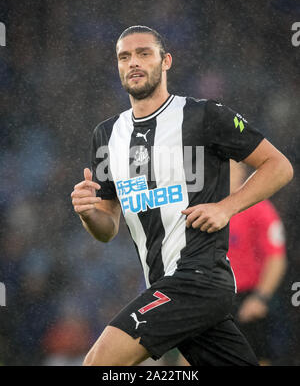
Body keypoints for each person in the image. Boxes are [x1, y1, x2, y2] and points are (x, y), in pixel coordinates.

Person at [70, 25, 293, 366]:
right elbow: (106, 229)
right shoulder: (106, 135)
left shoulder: (204, 115)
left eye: (144, 53)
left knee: (99, 363)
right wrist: (88, 213)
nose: (134, 62)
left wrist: (226, 207)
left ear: (166, 61)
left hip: (198, 279)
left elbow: (278, 166)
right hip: (165, 284)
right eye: (124, 56)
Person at [228, 160, 287, 365]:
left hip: (246, 299)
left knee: (255, 358)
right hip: (214, 298)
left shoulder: (259, 208)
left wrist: (260, 298)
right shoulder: (206, 206)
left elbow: (276, 257)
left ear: (242, 173)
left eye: (230, 168)